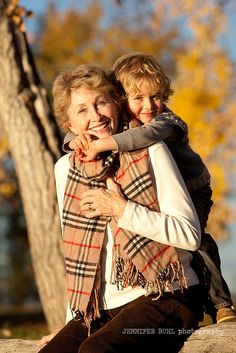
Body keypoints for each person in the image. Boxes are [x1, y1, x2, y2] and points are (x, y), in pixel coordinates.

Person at [39, 64, 204, 353]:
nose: (96, 116)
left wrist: (122, 210)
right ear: (69, 124)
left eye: (101, 102)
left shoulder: (151, 150)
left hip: (167, 295)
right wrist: (72, 323)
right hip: (101, 310)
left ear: (116, 103)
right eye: (82, 110)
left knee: (96, 351)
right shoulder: (66, 169)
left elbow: (190, 235)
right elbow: (78, 257)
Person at [63, 52, 236, 324]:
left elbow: (141, 136)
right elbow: (72, 131)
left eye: (156, 96)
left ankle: (219, 303)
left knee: (197, 241)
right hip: (161, 192)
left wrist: (98, 144)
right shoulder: (113, 131)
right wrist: (75, 141)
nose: (149, 106)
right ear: (121, 100)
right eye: (138, 98)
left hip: (193, 189)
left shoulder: (166, 123)